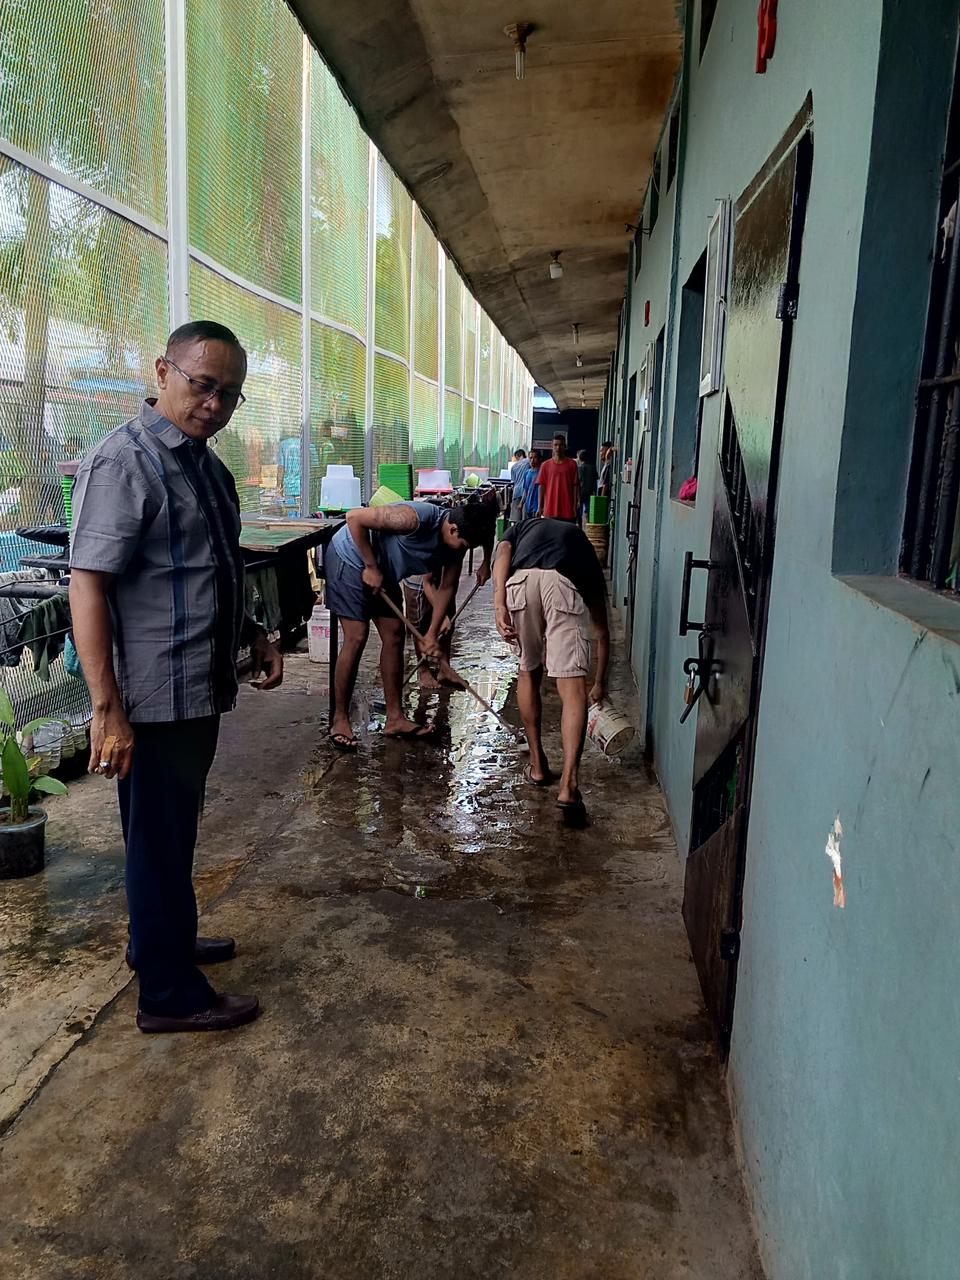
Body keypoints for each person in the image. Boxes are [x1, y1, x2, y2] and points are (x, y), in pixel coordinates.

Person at [69, 320, 284, 1034]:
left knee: (168, 830)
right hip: (153, 694)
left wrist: (255, 634)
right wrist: (107, 707)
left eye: (230, 395)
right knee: (160, 835)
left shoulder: (205, 466)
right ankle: (168, 993)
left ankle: (158, 940)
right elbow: (88, 585)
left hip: (198, 683)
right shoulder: (123, 462)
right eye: (202, 385)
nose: (214, 404)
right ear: (163, 371)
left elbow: (217, 569)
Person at [325, 499, 495, 750]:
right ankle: (340, 719)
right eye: (464, 545)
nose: (463, 551)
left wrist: (432, 635)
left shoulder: (458, 542)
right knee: (357, 636)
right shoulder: (413, 519)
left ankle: (395, 718)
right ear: (453, 530)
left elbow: (448, 587)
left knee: (394, 634)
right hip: (350, 557)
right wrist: (370, 566)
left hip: (384, 568)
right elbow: (354, 518)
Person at [494, 517, 610, 824]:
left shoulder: (522, 527)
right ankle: (569, 786)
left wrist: (499, 604)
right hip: (563, 583)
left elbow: (502, 550)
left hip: (519, 584)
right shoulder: (581, 545)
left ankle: (537, 765)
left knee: (528, 671)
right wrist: (598, 682)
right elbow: (601, 629)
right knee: (573, 689)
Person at [537, 433, 580, 521]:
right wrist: (540, 507)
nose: (558, 448)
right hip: (550, 509)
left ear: (565, 446)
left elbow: (575, 486)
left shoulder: (572, 464)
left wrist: (575, 506)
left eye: (561, 445)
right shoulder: (545, 465)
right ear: (551, 446)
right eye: (555, 445)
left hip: (567, 510)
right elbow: (542, 487)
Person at [515, 448, 543, 521]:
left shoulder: (542, 473)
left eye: (535, 458)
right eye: (530, 458)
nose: (532, 460)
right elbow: (526, 490)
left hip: (537, 507)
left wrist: (540, 507)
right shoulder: (527, 473)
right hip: (528, 506)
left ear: (539, 459)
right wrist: (521, 503)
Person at [576, 448, 598, 523]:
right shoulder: (592, 468)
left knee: (579, 509)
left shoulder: (578, 469)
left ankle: (579, 525)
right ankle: (588, 523)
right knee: (588, 509)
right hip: (589, 491)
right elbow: (595, 480)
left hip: (580, 491)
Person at [509, 447, 530, 522]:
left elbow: (513, 481)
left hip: (517, 491)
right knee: (525, 519)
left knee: (516, 518)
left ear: (517, 456)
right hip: (526, 491)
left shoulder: (513, 467)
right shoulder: (529, 462)